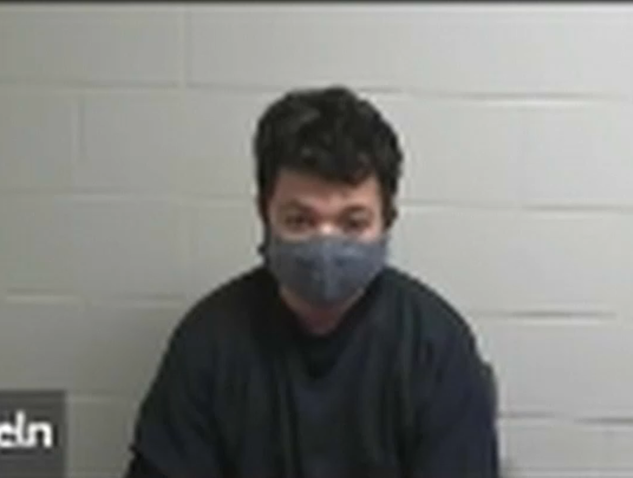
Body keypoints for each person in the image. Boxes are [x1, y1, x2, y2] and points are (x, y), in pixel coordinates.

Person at [122, 86, 500, 478]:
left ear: (388, 218)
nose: (325, 243)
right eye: (300, 220)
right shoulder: (208, 341)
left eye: (353, 223)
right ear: (264, 214)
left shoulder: (435, 346)